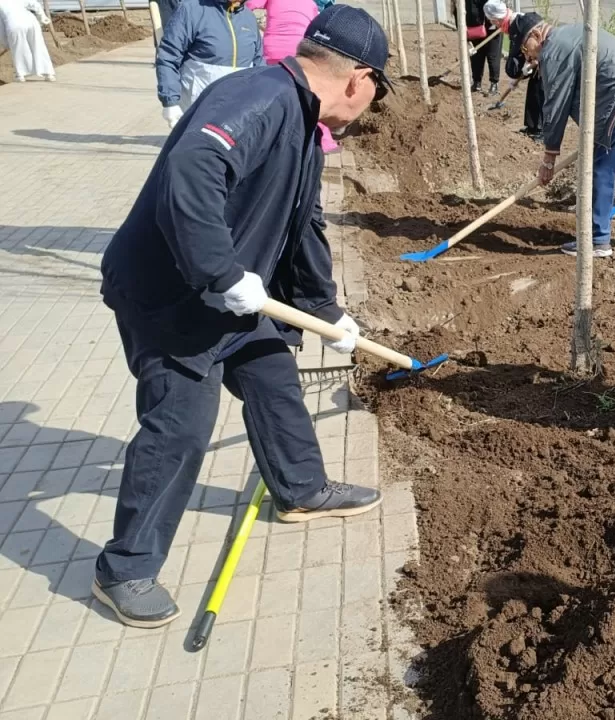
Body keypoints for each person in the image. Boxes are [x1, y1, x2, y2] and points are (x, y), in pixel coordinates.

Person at [95, 4, 393, 629]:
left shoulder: (304, 123)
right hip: (171, 295)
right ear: (357, 79)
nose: (372, 102)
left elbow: (302, 224)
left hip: (223, 292)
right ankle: (123, 569)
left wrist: (326, 312)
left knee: (269, 371)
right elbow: (193, 167)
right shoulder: (259, 96)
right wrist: (221, 273)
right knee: (179, 427)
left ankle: (301, 489)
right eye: (377, 89)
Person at [523, 22, 615, 258]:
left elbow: (555, 101)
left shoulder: (553, 48)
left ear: (536, 34)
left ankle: (597, 239)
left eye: (526, 49)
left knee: (600, 166)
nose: (529, 56)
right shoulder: (574, 32)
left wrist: (549, 156)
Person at [244, 0, 340, 152]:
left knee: (270, 95)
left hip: (272, 50)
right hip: (299, 52)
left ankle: (264, 136)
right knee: (310, 96)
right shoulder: (311, 4)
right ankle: (325, 141)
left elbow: (250, 5)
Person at [155, 0, 264, 129]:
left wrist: (263, 99)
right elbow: (168, 57)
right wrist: (170, 102)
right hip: (198, 111)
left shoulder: (248, 17)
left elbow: (259, 64)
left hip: (237, 113)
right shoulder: (191, 10)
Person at [484, 0, 542, 139]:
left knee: (541, 90)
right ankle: (532, 127)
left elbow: (515, 63)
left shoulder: (520, 27)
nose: (495, 25)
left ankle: (541, 132)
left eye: (494, 22)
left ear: (497, 20)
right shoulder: (518, 20)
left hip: (549, 58)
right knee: (534, 88)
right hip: (538, 58)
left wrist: (518, 73)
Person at [0, 0, 54, 83]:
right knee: (39, 46)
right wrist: (42, 16)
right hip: (31, 23)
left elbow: (1, 29)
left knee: (18, 50)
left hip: (14, 25)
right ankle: (49, 74)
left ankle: (21, 75)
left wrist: (6, 44)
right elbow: (35, 4)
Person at [463, 0, 499, 95]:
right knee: (476, 55)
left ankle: (494, 84)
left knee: (492, 55)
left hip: (492, 27)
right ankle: (476, 82)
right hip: (474, 29)